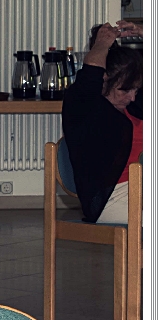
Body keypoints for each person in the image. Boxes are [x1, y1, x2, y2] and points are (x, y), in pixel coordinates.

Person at [62, 21, 143, 224]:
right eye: (125, 90)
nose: (132, 97)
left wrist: (146, 35)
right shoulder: (85, 109)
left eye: (136, 89)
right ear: (104, 80)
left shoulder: (134, 107)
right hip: (113, 198)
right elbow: (90, 74)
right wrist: (101, 45)